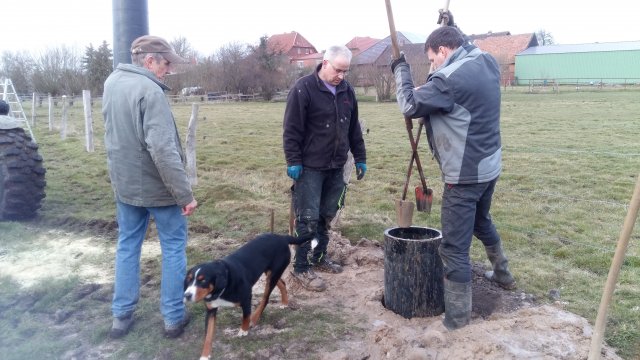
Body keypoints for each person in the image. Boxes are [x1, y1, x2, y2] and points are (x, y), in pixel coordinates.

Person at [391, 24, 516, 330]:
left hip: (465, 175)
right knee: (480, 220)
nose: (432, 66)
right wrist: (449, 23)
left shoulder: (448, 80)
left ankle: (456, 320)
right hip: (490, 165)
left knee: (454, 249)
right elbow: (463, 46)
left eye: (432, 59)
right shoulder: (484, 59)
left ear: (444, 51)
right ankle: (503, 273)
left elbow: (408, 104)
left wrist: (401, 70)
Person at [102, 35, 197, 339]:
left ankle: (121, 316)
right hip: (158, 189)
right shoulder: (150, 92)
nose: (168, 70)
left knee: (127, 246)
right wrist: (184, 194)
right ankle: (173, 317)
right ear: (149, 60)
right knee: (173, 247)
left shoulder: (112, 83)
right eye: (167, 63)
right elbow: (163, 150)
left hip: (125, 186)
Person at [283, 45, 367, 292]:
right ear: (325, 63)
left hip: (336, 165)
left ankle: (319, 258)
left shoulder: (346, 91)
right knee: (307, 219)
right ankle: (300, 268)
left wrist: (360, 157)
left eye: (345, 71)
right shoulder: (304, 88)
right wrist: (293, 161)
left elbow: (353, 128)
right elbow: (291, 129)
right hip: (309, 167)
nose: (341, 75)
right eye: (338, 70)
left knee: (326, 215)